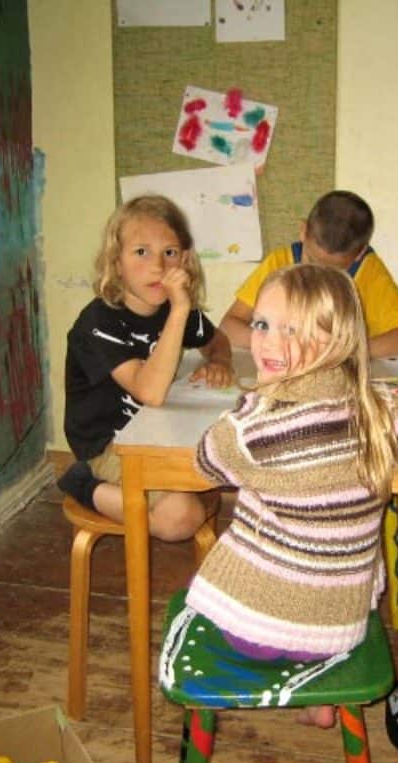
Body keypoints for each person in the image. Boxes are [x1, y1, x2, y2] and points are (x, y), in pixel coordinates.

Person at [182, 263, 398, 727]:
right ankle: (318, 692)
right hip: (340, 628)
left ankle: (268, 681)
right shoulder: (379, 415)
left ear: (336, 340)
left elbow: (204, 464)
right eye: (262, 325)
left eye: (291, 330)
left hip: (253, 630)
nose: (268, 342)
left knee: (241, 545)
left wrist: (248, 409)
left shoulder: (248, 429)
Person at [57, 195, 235, 540]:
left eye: (169, 252)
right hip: (108, 444)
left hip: (156, 430)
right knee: (181, 518)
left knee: (222, 459)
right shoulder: (98, 321)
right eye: (141, 252)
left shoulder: (176, 308)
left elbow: (218, 340)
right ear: (116, 262)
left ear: (185, 259)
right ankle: (83, 484)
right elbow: (149, 392)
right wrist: (180, 309)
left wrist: (219, 361)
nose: (158, 266)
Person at [218, 190, 398, 358]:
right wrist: (279, 342)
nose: (320, 276)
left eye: (335, 271)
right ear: (303, 231)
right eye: (312, 261)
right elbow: (229, 326)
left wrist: (345, 351)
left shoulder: (368, 271)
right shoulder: (280, 263)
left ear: (360, 253)